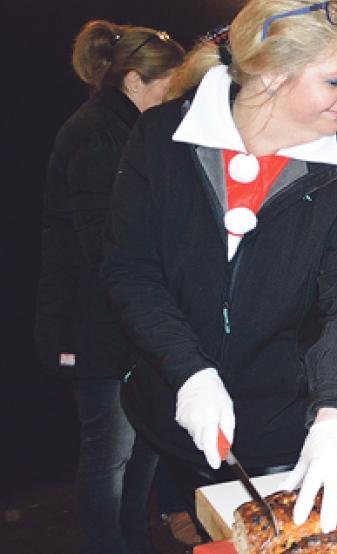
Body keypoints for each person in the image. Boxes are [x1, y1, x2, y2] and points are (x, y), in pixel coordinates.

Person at [103, 0, 337, 534]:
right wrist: (189, 372)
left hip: (281, 421)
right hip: (175, 406)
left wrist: (334, 416)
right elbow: (132, 272)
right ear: (273, 74)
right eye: (334, 81)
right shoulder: (162, 139)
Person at [35, 19, 184, 553]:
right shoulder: (95, 134)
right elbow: (106, 244)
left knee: (143, 443)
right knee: (110, 453)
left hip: (128, 321)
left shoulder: (132, 131)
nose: (176, 97)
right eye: (169, 85)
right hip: (94, 324)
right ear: (134, 83)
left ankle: (130, 541)